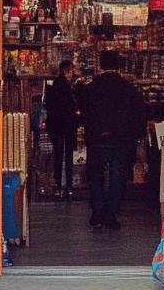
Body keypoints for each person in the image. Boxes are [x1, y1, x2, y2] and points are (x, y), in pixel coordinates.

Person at [77, 50, 148, 230]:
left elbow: (84, 113)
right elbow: (140, 113)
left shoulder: (91, 88)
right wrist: (136, 135)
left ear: (100, 65)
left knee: (95, 175)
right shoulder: (128, 88)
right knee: (118, 176)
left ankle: (98, 210)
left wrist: (90, 130)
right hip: (122, 139)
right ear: (119, 66)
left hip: (97, 138)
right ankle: (110, 212)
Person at [43, 59, 81, 199]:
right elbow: (71, 106)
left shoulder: (52, 86)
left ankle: (58, 186)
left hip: (55, 126)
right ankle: (68, 185)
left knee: (58, 155)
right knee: (68, 155)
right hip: (67, 125)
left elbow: (48, 105)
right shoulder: (69, 88)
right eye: (72, 71)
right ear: (67, 71)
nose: (73, 74)